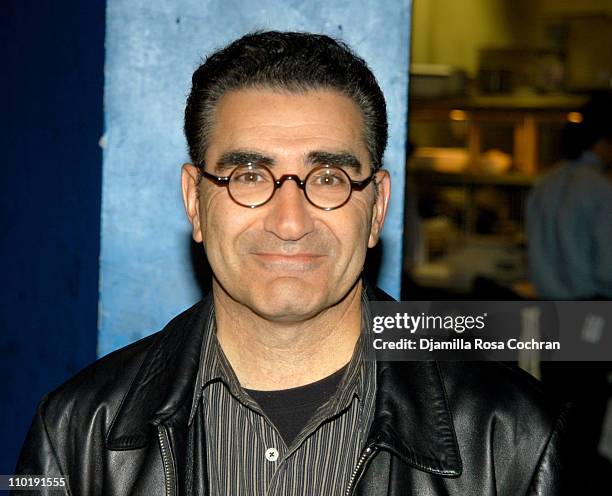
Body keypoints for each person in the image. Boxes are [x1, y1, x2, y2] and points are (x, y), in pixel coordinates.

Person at [16, 31, 567, 495]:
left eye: (327, 179)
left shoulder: (512, 438)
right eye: (248, 176)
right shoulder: (77, 433)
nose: (289, 221)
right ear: (194, 202)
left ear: (375, 208)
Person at [526, 92, 612, 300]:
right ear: (602, 142)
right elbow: (607, 271)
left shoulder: (544, 183)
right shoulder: (600, 189)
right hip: (592, 309)